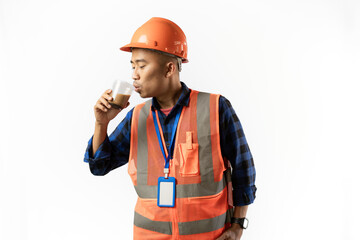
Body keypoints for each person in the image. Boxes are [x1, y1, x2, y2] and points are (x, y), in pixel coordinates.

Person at [83, 17, 256, 240]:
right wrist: (101, 123)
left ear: (169, 69)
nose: (134, 74)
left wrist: (238, 226)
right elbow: (99, 166)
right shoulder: (136, 117)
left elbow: (244, 169)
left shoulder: (215, 108)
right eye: (133, 65)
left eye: (142, 65)